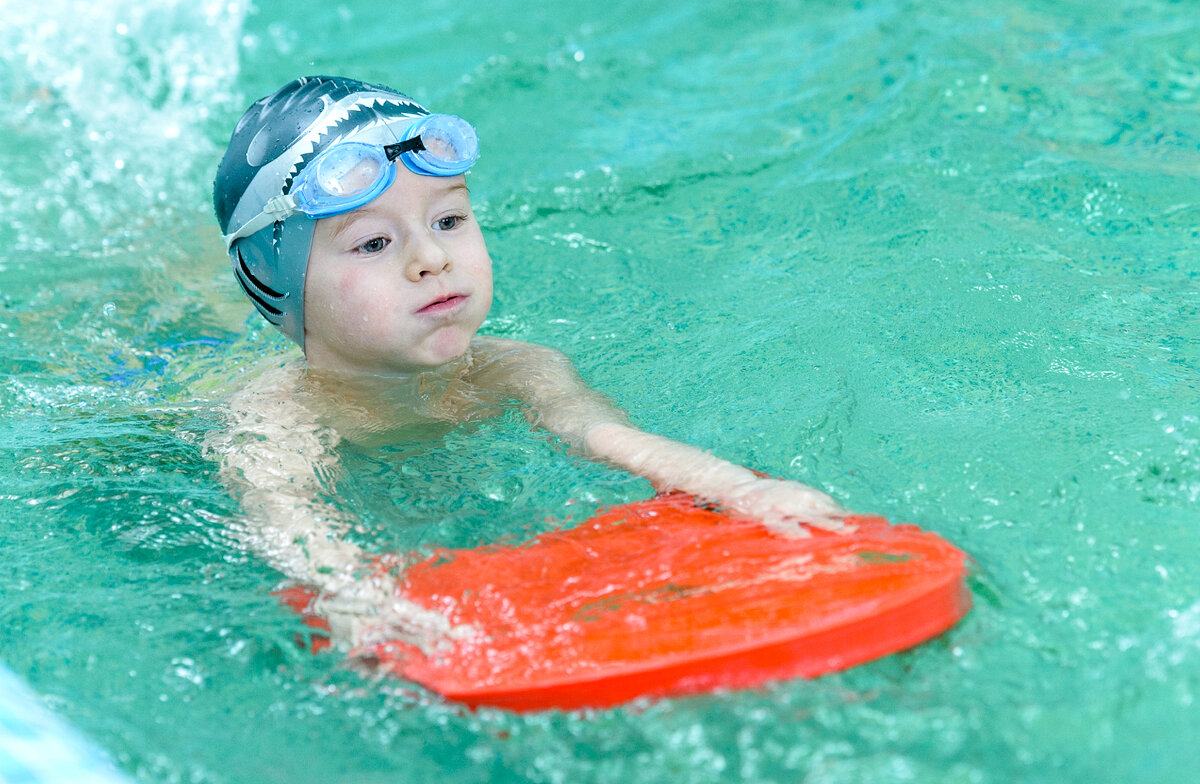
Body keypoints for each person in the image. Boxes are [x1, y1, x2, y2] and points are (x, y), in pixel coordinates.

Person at [207, 75, 848, 657]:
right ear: (274, 281)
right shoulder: (276, 417)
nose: (431, 256)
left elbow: (607, 436)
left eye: (450, 218)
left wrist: (739, 488)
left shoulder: (515, 368)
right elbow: (288, 521)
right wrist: (355, 599)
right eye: (373, 242)